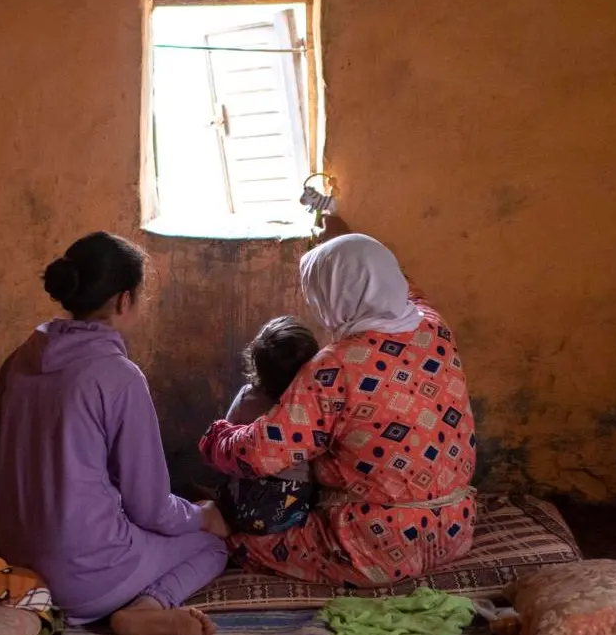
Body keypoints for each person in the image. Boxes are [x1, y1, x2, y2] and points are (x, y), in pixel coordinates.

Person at [0, 231, 229, 635]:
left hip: (19, 563)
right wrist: (203, 515)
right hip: (83, 578)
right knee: (211, 546)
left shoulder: (19, 360)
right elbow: (150, 509)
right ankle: (145, 608)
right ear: (124, 300)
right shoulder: (120, 377)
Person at [199, 229, 477, 586]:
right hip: (453, 531)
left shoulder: (336, 366)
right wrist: (343, 232)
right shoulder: (435, 328)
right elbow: (405, 286)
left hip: (376, 547)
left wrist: (216, 437)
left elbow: (259, 453)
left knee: (244, 536)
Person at [219, 316, 323, 536]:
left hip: (239, 507)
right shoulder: (311, 408)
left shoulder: (246, 396)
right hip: (288, 511)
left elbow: (225, 439)